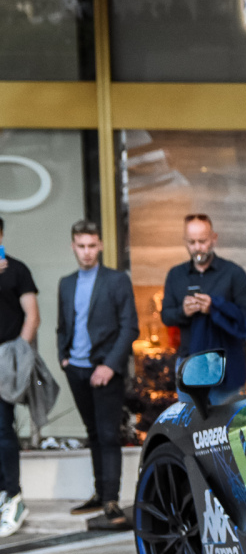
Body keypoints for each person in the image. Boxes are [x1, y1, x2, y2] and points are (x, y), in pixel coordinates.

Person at [57, 220, 139, 531]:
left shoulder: (117, 281)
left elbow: (130, 327)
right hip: (76, 369)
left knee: (107, 435)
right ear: (73, 247)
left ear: (101, 246)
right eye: (81, 246)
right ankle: (99, 493)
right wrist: (63, 358)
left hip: (106, 369)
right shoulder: (66, 283)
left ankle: (111, 500)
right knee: (92, 433)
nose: (87, 252)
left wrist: (109, 366)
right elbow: (64, 325)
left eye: (92, 246)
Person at [160, 214, 246, 405]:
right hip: (190, 364)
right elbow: (166, 316)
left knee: (227, 427)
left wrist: (215, 307)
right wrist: (183, 312)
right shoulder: (176, 275)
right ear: (185, 242)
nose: (197, 247)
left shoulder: (234, 273)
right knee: (190, 429)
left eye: (202, 241)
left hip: (226, 364)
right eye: (192, 242)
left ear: (214, 238)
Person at [0, 216, 39, 537]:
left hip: (7, 359)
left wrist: (19, 354)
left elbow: (32, 315)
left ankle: (14, 495)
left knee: (3, 428)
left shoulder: (17, 270)